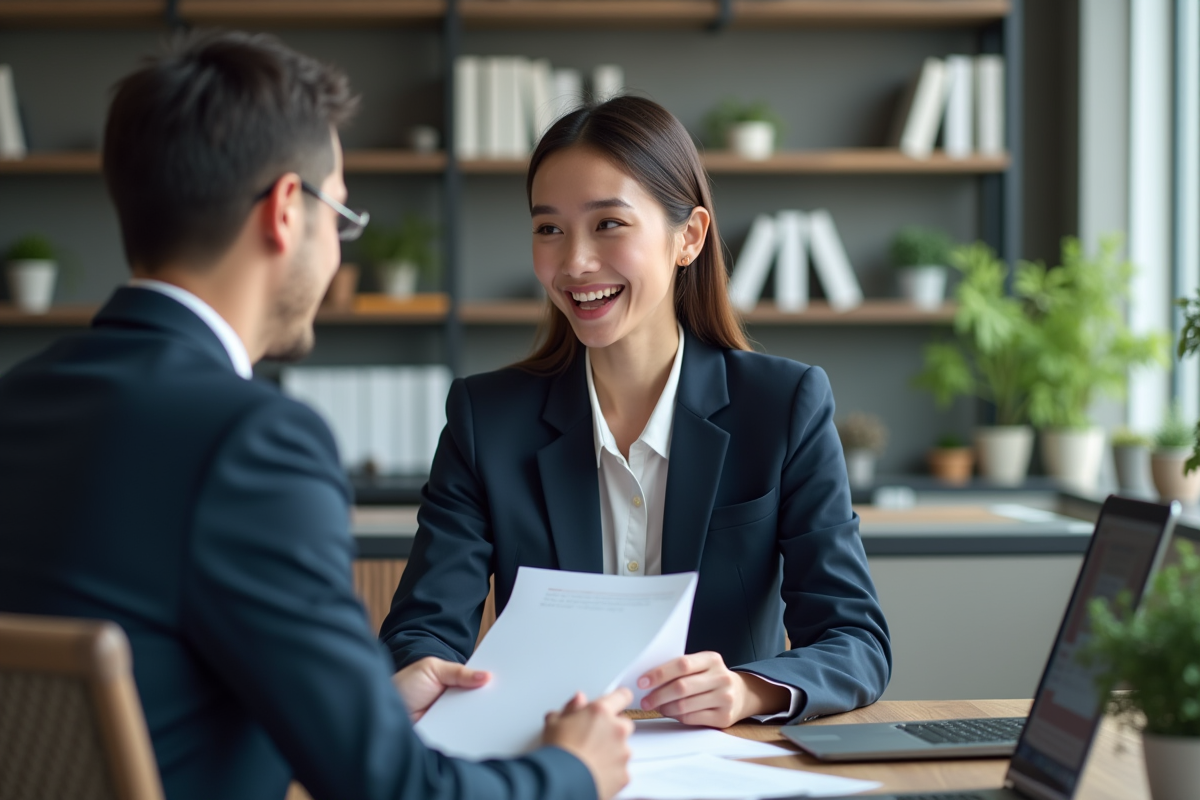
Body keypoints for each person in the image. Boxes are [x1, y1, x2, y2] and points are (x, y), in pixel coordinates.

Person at [0, 31, 633, 800]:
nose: (338, 250)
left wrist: (365, 708)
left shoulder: (21, 402)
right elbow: (394, 793)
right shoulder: (251, 442)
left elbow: (165, 696)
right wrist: (575, 768)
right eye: (340, 214)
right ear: (286, 211)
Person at [381, 96, 892, 727]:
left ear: (689, 236)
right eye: (549, 229)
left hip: (720, 771)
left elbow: (855, 642)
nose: (574, 263)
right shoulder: (486, 419)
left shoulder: (783, 407)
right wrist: (423, 671)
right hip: (548, 766)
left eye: (609, 224)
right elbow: (421, 630)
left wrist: (746, 689)